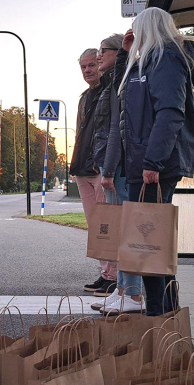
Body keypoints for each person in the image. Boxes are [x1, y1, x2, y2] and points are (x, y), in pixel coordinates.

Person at [116, 7, 194, 316]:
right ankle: (165, 316)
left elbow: (169, 112)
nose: (134, 36)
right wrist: (127, 56)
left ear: (147, 29)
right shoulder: (149, 60)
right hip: (147, 162)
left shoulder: (165, 58)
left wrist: (152, 161)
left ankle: (158, 317)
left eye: (137, 31)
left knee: (150, 245)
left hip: (154, 165)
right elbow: (123, 98)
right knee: (154, 244)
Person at [89, 33, 146, 314]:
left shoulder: (120, 81)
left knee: (126, 234)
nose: (98, 56)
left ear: (117, 53)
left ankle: (132, 294)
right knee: (121, 234)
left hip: (120, 168)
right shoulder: (114, 81)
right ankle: (123, 291)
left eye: (103, 51)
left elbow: (115, 129)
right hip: (114, 166)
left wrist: (109, 169)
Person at [70, 48, 118, 298]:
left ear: (100, 64)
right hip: (82, 169)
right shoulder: (83, 97)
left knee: (106, 225)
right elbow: (80, 132)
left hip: (100, 168)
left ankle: (114, 277)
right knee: (95, 227)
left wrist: (108, 165)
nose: (88, 70)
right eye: (83, 67)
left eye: (91, 65)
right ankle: (106, 275)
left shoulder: (110, 90)